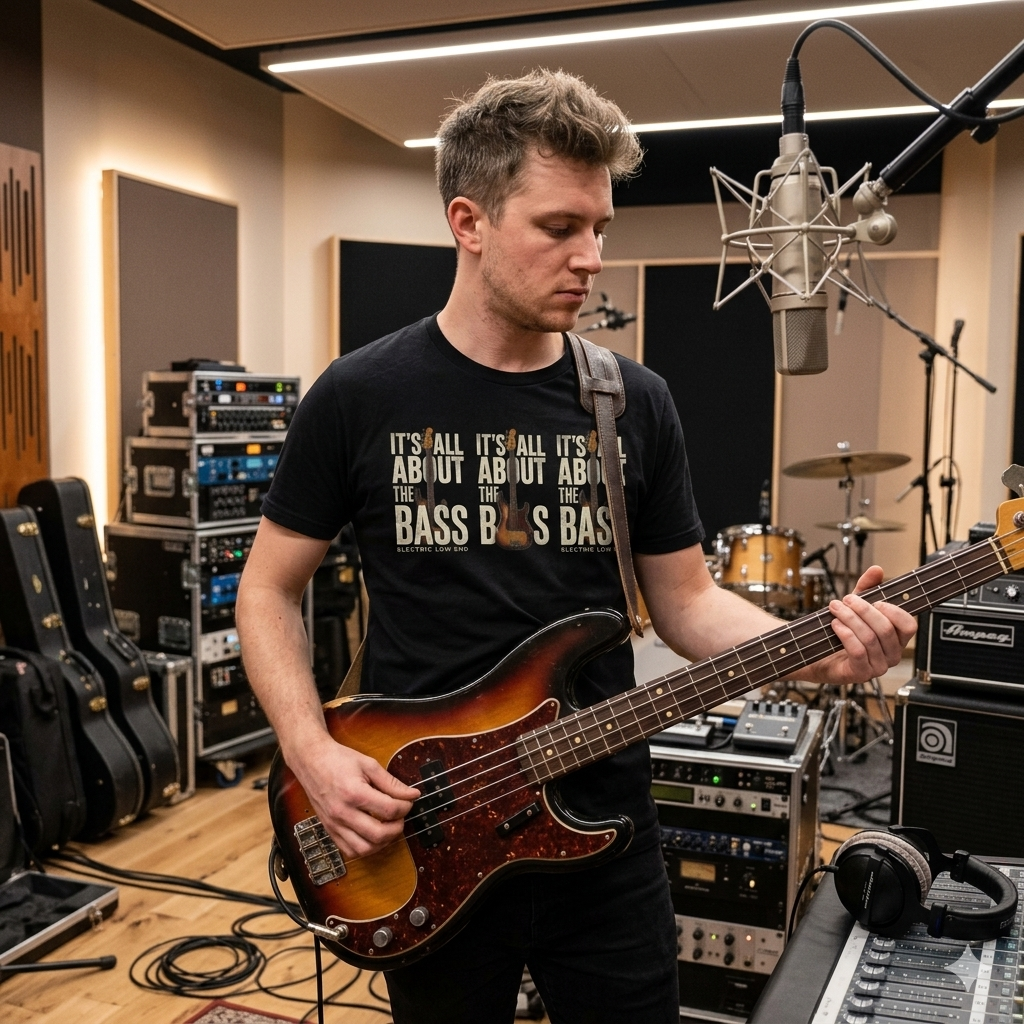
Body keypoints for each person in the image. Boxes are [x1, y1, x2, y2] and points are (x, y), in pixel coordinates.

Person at [236, 69, 916, 1024]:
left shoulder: (632, 402)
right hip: (421, 825)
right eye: (559, 228)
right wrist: (310, 751)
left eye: (600, 227)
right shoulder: (359, 396)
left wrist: (820, 651)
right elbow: (266, 591)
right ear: (467, 221)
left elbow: (685, 603)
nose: (591, 255)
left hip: (601, 826)